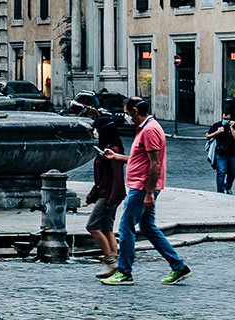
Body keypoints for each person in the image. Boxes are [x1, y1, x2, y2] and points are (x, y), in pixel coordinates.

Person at [101, 98, 191, 286]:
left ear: (135, 111)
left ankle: (124, 272)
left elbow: (155, 163)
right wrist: (116, 156)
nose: (126, 117)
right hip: (143, 186)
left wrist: (149, 193)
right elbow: (140, 159)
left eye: (127, 113)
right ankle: (178, 266)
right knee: (148, 227)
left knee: (126, 227)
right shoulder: (146, 127)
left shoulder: (149, 130)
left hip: (142, 187)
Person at [79, 102, 126, 276]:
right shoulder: (108, 149)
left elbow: (116, 178)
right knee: (107, 227)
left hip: (109, 196)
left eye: (97, 130)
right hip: (107, 194)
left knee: (92, 226)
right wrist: (93, 194)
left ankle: (110, 261)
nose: (95, 133)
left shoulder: (112, 151)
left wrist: (110, 200)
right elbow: (104, 178)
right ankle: (116, 261)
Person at [206, 101, 235, 195]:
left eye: (227, 119)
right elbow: (208, 136)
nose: (225, 120)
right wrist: (217, 132)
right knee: (221, 172)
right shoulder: (217, 125)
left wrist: (232, 129)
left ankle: (228, 186)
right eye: (224, 118)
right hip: (220, 152)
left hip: (232, 153)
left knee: (232, 172)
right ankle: (220, 191)